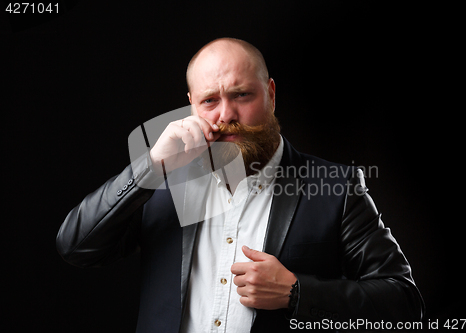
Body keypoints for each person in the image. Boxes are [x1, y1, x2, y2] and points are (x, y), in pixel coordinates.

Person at [56, 38, 424, 333]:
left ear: (272, 94)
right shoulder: (162, 183)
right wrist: (150, 167)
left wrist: (297, 292)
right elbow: (76, 247)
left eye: (241, 95)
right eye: (209, 101)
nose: (226, 115)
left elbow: (405, 303)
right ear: (191, 107)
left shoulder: (337, 187)